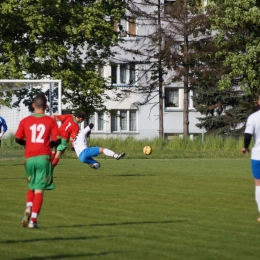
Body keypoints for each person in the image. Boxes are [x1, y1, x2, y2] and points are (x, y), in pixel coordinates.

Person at [15, 94, 60, 229]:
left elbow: (17, 139)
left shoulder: (25, 121)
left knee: (31, 186)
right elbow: (57, 140)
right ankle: (33, 220)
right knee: (39, 191)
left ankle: (28, 207)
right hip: (43, 157)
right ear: (46, 106)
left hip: (29, 158)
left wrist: (27, 144)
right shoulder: (50, 121)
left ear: (33, 105)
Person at [241, 96, 260, 222]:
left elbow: (248, 134)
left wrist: (245, 147)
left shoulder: (253, 117)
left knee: (258, 185)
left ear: (258, 102)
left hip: (257, 156)